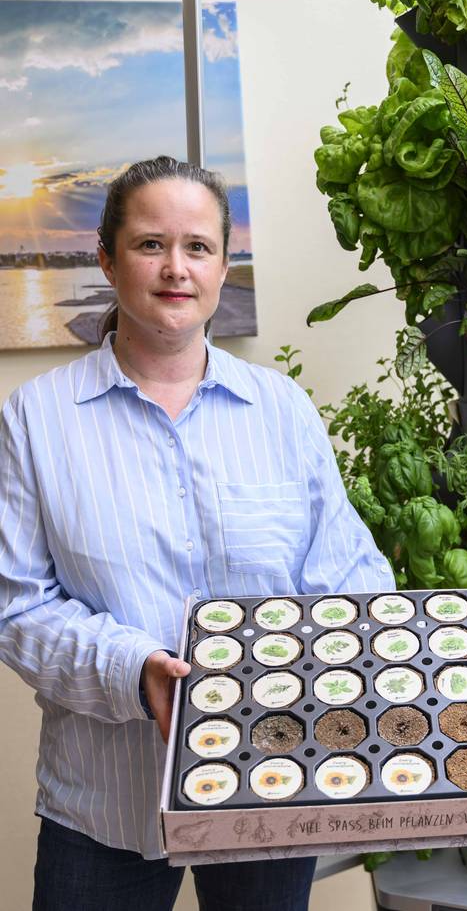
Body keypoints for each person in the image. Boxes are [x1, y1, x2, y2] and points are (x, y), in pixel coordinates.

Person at [0, 156, 396, 911]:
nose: (175, 268)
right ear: (107, 260)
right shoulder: (34, 419)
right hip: (105, 808)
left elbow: (349, 575)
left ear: (222, 266)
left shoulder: (281, 410)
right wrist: (135, 670)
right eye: (150, 244)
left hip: (273, 780)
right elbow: (17, 609)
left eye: (199, 247)